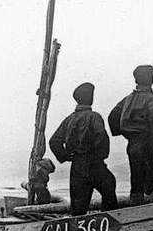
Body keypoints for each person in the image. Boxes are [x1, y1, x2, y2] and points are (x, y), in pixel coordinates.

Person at [49, 82, 118, 216]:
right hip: (93, 162)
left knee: (78, 206)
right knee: (109, 186)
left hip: (77, 166)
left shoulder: (69, 119)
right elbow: (101, 136)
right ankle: (109, 223)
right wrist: (100, 157)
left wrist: (66, 156)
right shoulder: (94, 117)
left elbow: (54, 141)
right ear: (90, 98)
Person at [108, 65, 153, 205]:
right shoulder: (152, 98)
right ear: (151, 79)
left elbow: (112, 117)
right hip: (149, 141)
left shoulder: (127, 99)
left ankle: (136, 206)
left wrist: (125, 133)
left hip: (133, 144)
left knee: (137, 178)